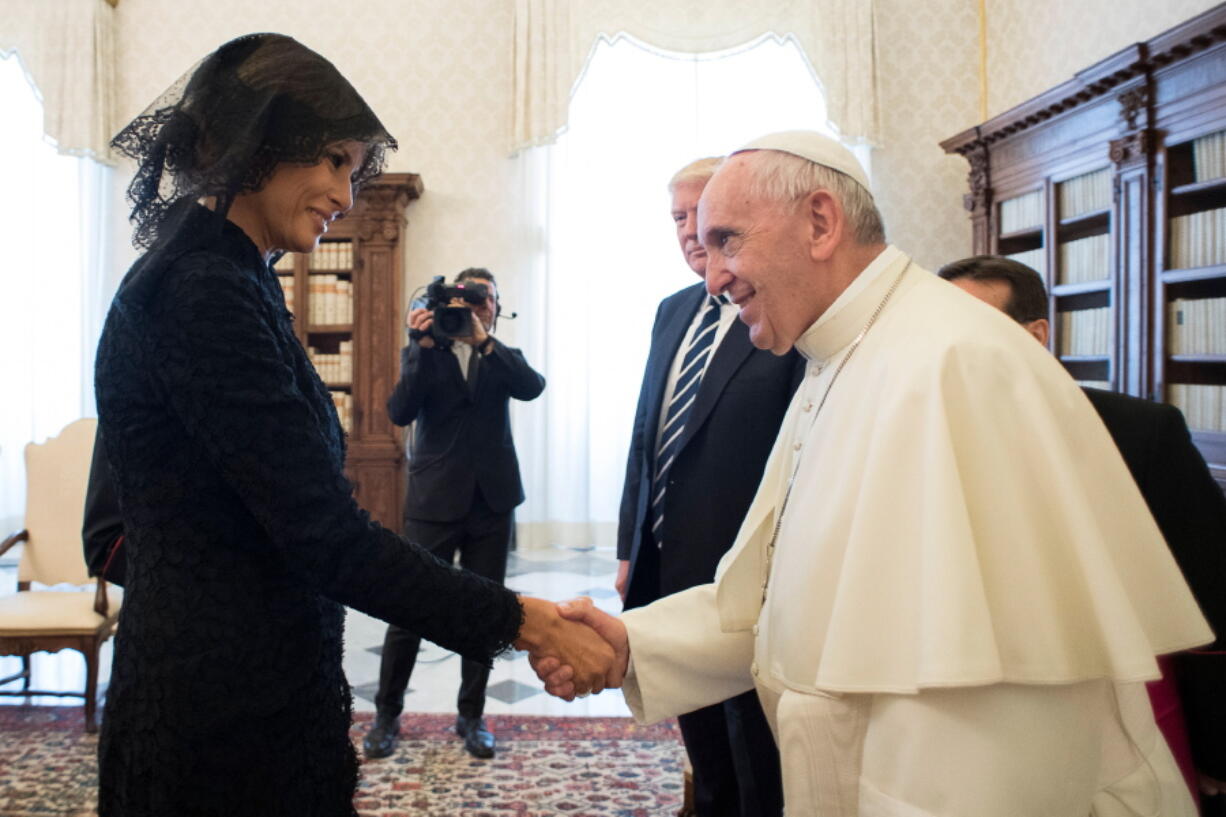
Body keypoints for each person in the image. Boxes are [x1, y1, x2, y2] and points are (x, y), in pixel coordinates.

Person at [533, 130, 1213, 816]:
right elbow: (792, 602)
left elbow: (985, 722)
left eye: (729, 241)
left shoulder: (953, 362)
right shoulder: (837, 354)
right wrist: (636, 643)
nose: (712, 277)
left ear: (820, 223)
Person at [95, 33, 610, 817]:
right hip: (217, 719)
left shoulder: (233, 272)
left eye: (355, 166)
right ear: (259, 143)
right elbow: (326, 537)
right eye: (333, 160)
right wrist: (523, 619)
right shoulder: (202, 290)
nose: (344, 189)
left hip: (251, 686)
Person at [937, 254, 1226, 814]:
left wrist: (1216, 744)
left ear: (1036, 335)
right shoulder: (932, 434)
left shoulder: (1140, 431)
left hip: (1127, 700)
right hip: (989, 713)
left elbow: (1208, 591)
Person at [616, 157, 797, 816]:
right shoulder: (671, 312)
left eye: (702, 215)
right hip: (667, 564)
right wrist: (629, 546)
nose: (690, 231)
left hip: (744, 577)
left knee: (755, 753)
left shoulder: (780, 315)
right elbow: (648, 436)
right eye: (677, 218)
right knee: (702, 746)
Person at [363, 267, 544, 761]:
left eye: (485, 298)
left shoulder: (502, 357)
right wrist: (419, 348)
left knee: (484, 616)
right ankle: (386, 715)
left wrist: (485, 341)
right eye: (467, 298)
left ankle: (472, 716)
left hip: (492, 501)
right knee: (407, 611)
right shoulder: (426, 350)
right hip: (434, 502)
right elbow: (400, 412)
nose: (476, 306)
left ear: (496, 306)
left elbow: (532, 387)